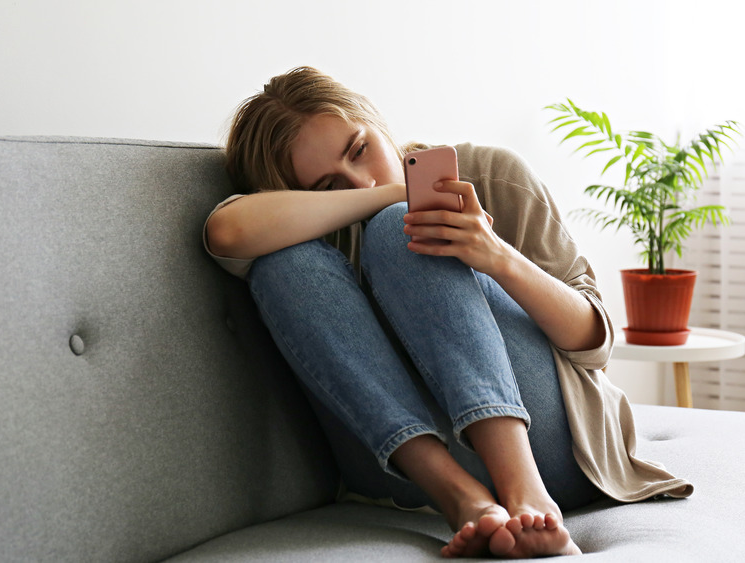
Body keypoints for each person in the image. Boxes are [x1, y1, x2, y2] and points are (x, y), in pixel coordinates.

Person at [203, 66, 692, 558]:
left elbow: (595, 344)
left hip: (554, 452)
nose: (360, 178)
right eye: (328, 186)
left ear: (374, 120)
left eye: (359, 149)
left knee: (401, 229)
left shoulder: (492, 173)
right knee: (285, 263)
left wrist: (496, 256)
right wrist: (393, 194)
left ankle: (525, 492)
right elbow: (226, 232)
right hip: (404, 474)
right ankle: (465, 500)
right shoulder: (304, 227)